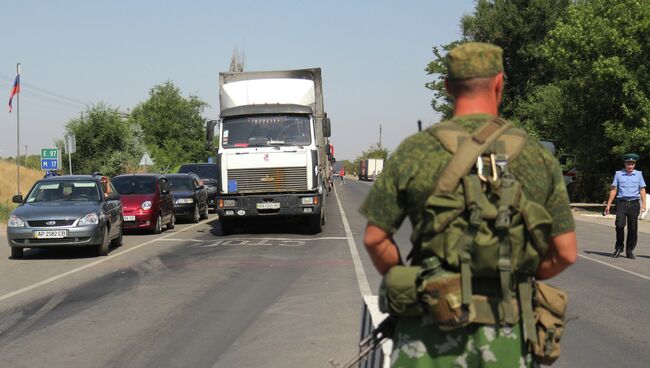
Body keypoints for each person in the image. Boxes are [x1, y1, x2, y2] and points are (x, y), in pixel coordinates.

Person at [359, 42, 577, 367]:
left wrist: (416, 284)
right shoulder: (538, 157)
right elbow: (565, 253)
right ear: (499, 83)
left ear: (447, 87)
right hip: (508, 337)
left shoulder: (415, 150)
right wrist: (522, 275)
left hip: (426, 335)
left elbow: (375, 238)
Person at [604, 153, 646, 259]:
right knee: (619, 225)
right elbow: (614, 189)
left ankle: (629, 251)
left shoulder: (638, 174)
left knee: (632, 229)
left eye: (632, 164)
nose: (630, 166)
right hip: (621, 203)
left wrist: (644, 203)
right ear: (625, 164)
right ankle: (619, 247)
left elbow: (642, 189)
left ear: (634, 165)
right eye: (628, 164)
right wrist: (608, 204)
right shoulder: (618, 174)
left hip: (634, 204)